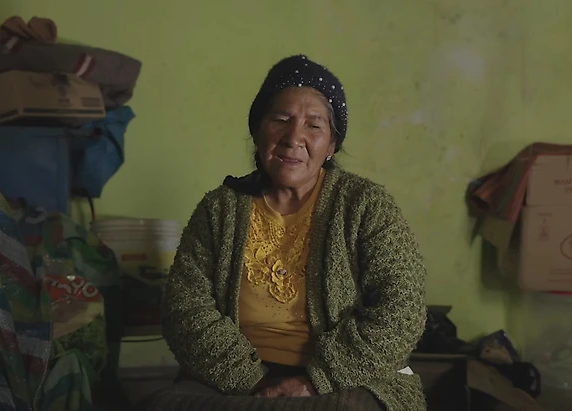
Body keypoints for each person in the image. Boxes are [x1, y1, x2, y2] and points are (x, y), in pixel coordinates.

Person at [150, 55, 427, 411]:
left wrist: (316, 380)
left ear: (332, 145)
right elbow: (185, 309)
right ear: (258, 131)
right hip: (235, 381)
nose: (294, 138)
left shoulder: (365, 206)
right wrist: (253, 382)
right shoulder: (219, 210)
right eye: (281, 119)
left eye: (314, 125)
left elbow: (402, 311)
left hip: (347, 379)